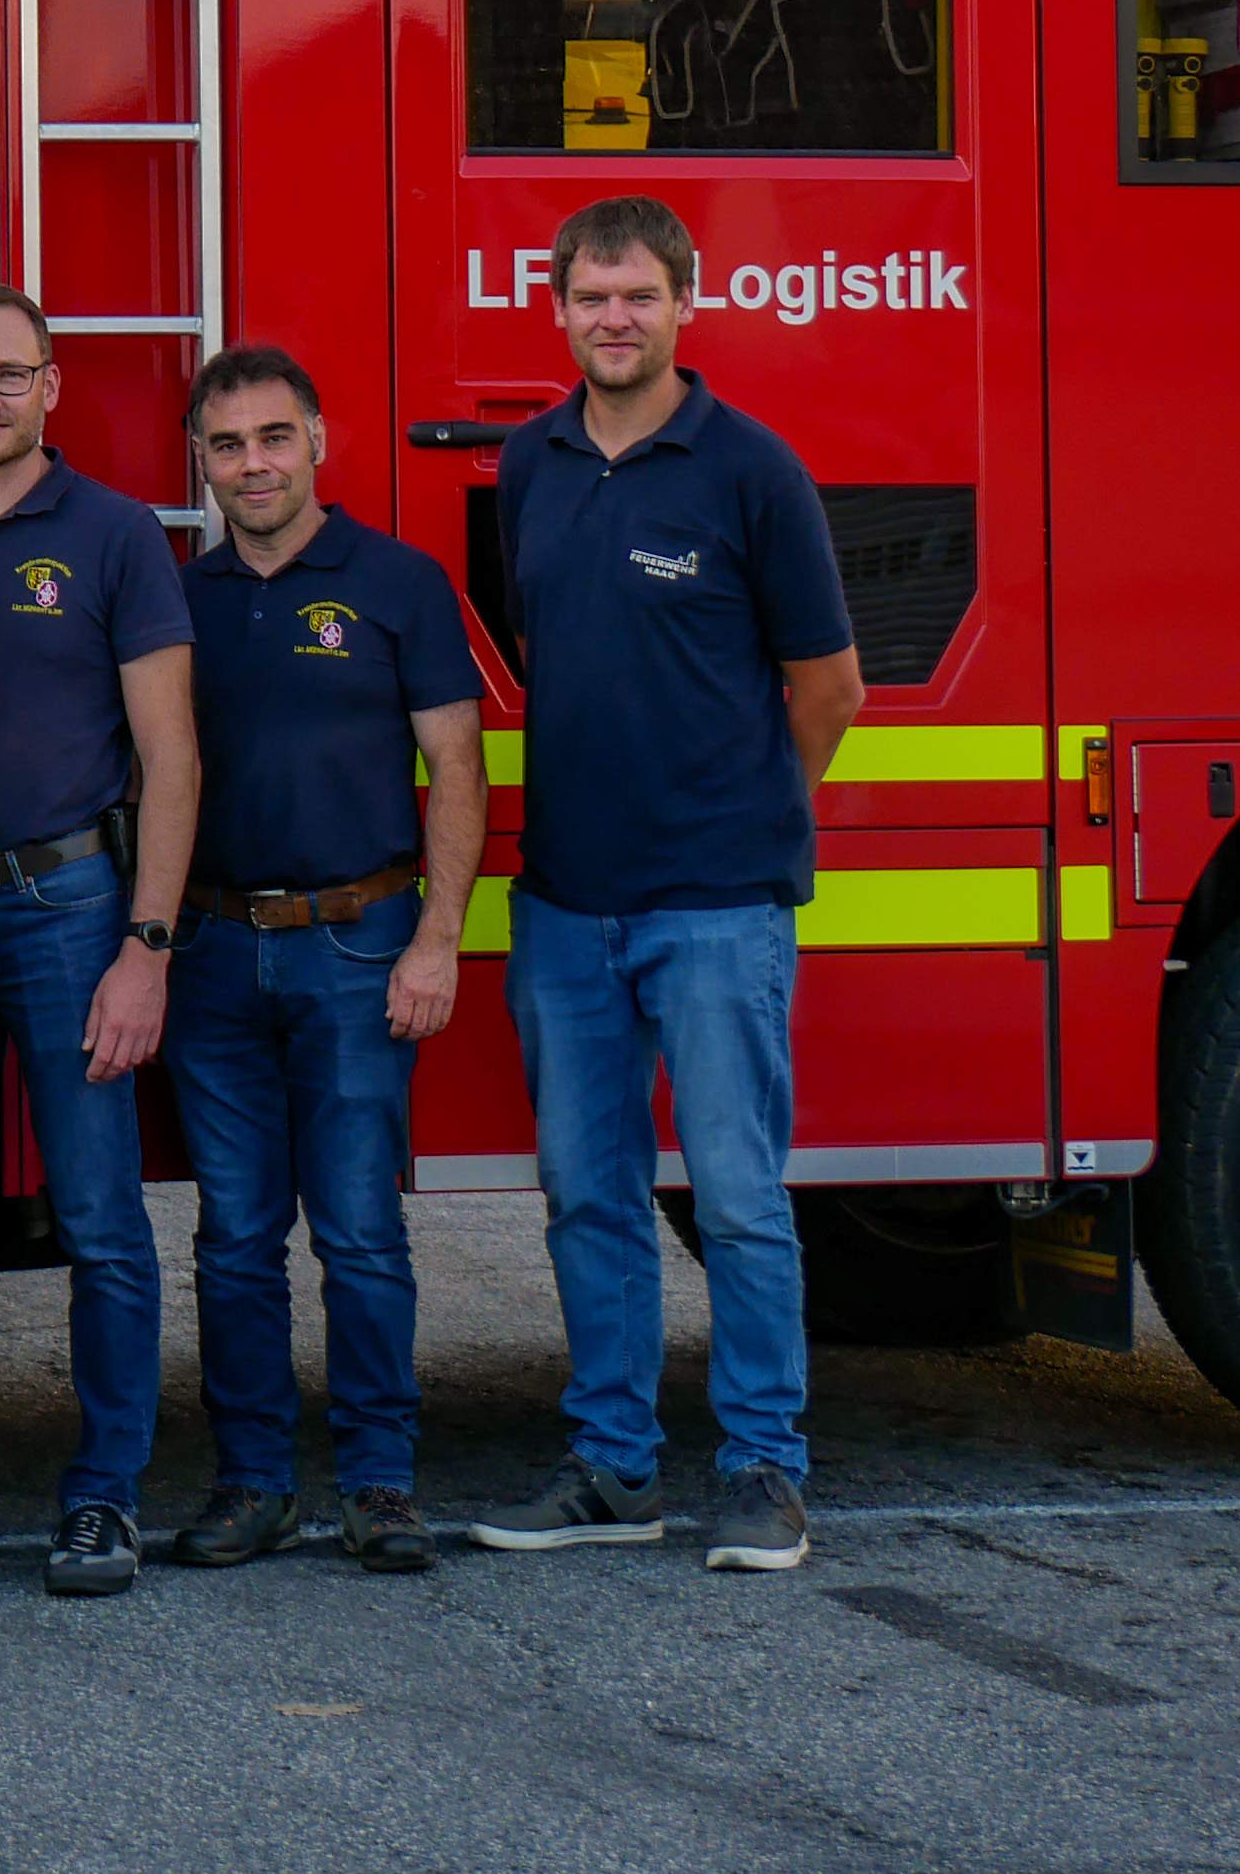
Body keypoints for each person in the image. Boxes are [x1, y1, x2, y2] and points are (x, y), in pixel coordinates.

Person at [471, 197, 861, 1576]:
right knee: (586, 1192)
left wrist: (742, 812)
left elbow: (827, 686)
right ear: (558, 309)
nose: (615, 318)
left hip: (716, 902)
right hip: (568, 901)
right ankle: (614, 1465)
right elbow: (546, 647)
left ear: (687, 302)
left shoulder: (752, 470)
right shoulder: (532, 464)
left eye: (639, 294)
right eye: (592, 296)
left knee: (743, 1195)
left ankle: (763, 1466)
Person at [0, 281, 197, 1597]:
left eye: (11, 374)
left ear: (54, 387)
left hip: (72, 908)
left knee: (99, 1215)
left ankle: (103, 1495)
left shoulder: (118, 536)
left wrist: (148, 946)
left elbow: (173, 759)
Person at [166, 345, 486, 1578]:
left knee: (356, 1232)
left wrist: (436, 942)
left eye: (272, 439)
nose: (252, 465)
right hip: (208, 952)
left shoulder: (399, 582)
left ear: (318, 442)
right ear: (200, 462)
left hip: (358, 947)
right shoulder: (176, 601)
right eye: (227, 446)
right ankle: (250, 1485)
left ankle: (379, 1485)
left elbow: (455, 772)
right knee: (234, 1237)